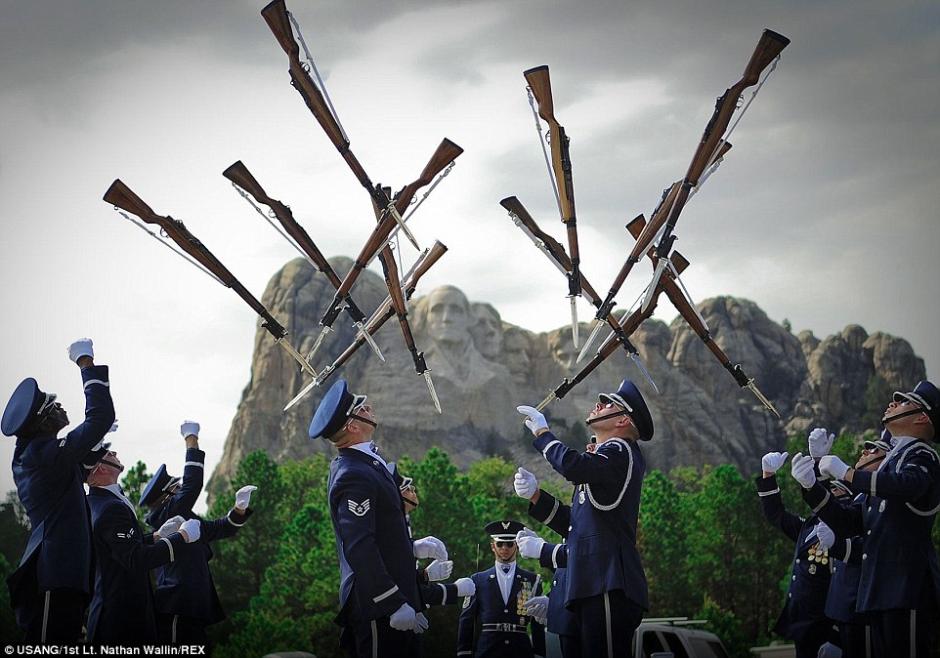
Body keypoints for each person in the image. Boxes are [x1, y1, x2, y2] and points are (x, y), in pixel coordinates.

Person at [791, 381, 940, 657]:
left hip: (906, 590)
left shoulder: (922, 454)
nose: (893, 403)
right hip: (881, 593)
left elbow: (909, 484)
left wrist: (848, 474)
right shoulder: (894, 464)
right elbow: (851, 521)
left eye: (904, 401)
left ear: (922, 418)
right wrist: (812, 486)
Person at [309, 379, 447, 658]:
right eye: (362, 407)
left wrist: (412, 550)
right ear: (352, 425)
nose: (369, 407)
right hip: (376, 603)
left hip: (396, 597)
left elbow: (382, 535)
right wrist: (392, 602)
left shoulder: (365, 464)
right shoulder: (353, 474)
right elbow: (360, 547)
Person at [516, 378, 650, 658]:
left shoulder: (620, 450)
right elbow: (576, 525)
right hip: (592, 582)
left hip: (608, 581)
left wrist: (543, 433)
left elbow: (573, 466)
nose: (598, 405)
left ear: (623, 420)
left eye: (607, 404)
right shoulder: (607, 457)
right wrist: (536, 497)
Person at [3, 338, 115, 642]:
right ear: (43, 421)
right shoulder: (42, 454)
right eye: (54, 406)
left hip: (64, 574)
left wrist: (96, 444)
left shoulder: (37, 454)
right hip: (54, 576)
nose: (61, 407)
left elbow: (77, 468)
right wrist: (85, 362)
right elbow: (100, 417)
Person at [141, 420, 257, 644]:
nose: (182, 492)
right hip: (177, 606)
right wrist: (190, 437)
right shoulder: (171, 511)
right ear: (168, 495)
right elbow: (193, 484)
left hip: (190, 607)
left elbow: (223, 528)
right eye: (177, 488)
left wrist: (239, 509)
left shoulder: (183, 519)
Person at [85, 448, 201, 645]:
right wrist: (181, 537)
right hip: (122, 619)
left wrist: (156, 537)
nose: (113, 452)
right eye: (107, 454)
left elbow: (119, 549)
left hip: (116, 612)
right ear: (99, 470)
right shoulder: (110, 508)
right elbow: (136, 559)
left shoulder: (99, 502)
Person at [757, 432, 837, 658]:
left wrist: (838, 632)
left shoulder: (845, 528)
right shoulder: (808, 527)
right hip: (803, 623)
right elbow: (776, 514)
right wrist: (768, 474)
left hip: (827, 622)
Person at [823, 433, 891, 658]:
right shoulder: (862, 498)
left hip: (866, 607)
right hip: (844, 608)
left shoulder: (880, 498)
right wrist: (814, 468)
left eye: (873, 450)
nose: (864, 452)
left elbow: (871, 546)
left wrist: (837, 545)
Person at [513, 466, 580, 658]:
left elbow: (589, 557)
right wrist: (554, 600)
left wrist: (544, 550)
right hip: (571, 618)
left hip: (589, 615)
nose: (589, 447)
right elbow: (571, 525)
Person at [388, 463, 475, 609]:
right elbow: (396, 583)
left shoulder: (402, 521)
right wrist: (454, 589)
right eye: (408, 489)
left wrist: (424, 576)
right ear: (397, 496)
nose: (413, 490)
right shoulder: (392, 526)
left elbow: (405, 579)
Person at [456, 520, 545, 658]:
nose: (505, 548)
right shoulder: (477, 580)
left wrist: (539, 653)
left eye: (509, 543)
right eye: (500, 544)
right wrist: (464, 653)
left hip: (520, 650)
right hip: (488, 650)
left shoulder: (532, 580)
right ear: (493, 546)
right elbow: (467, 620)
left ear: (516, 545)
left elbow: (537, 622)